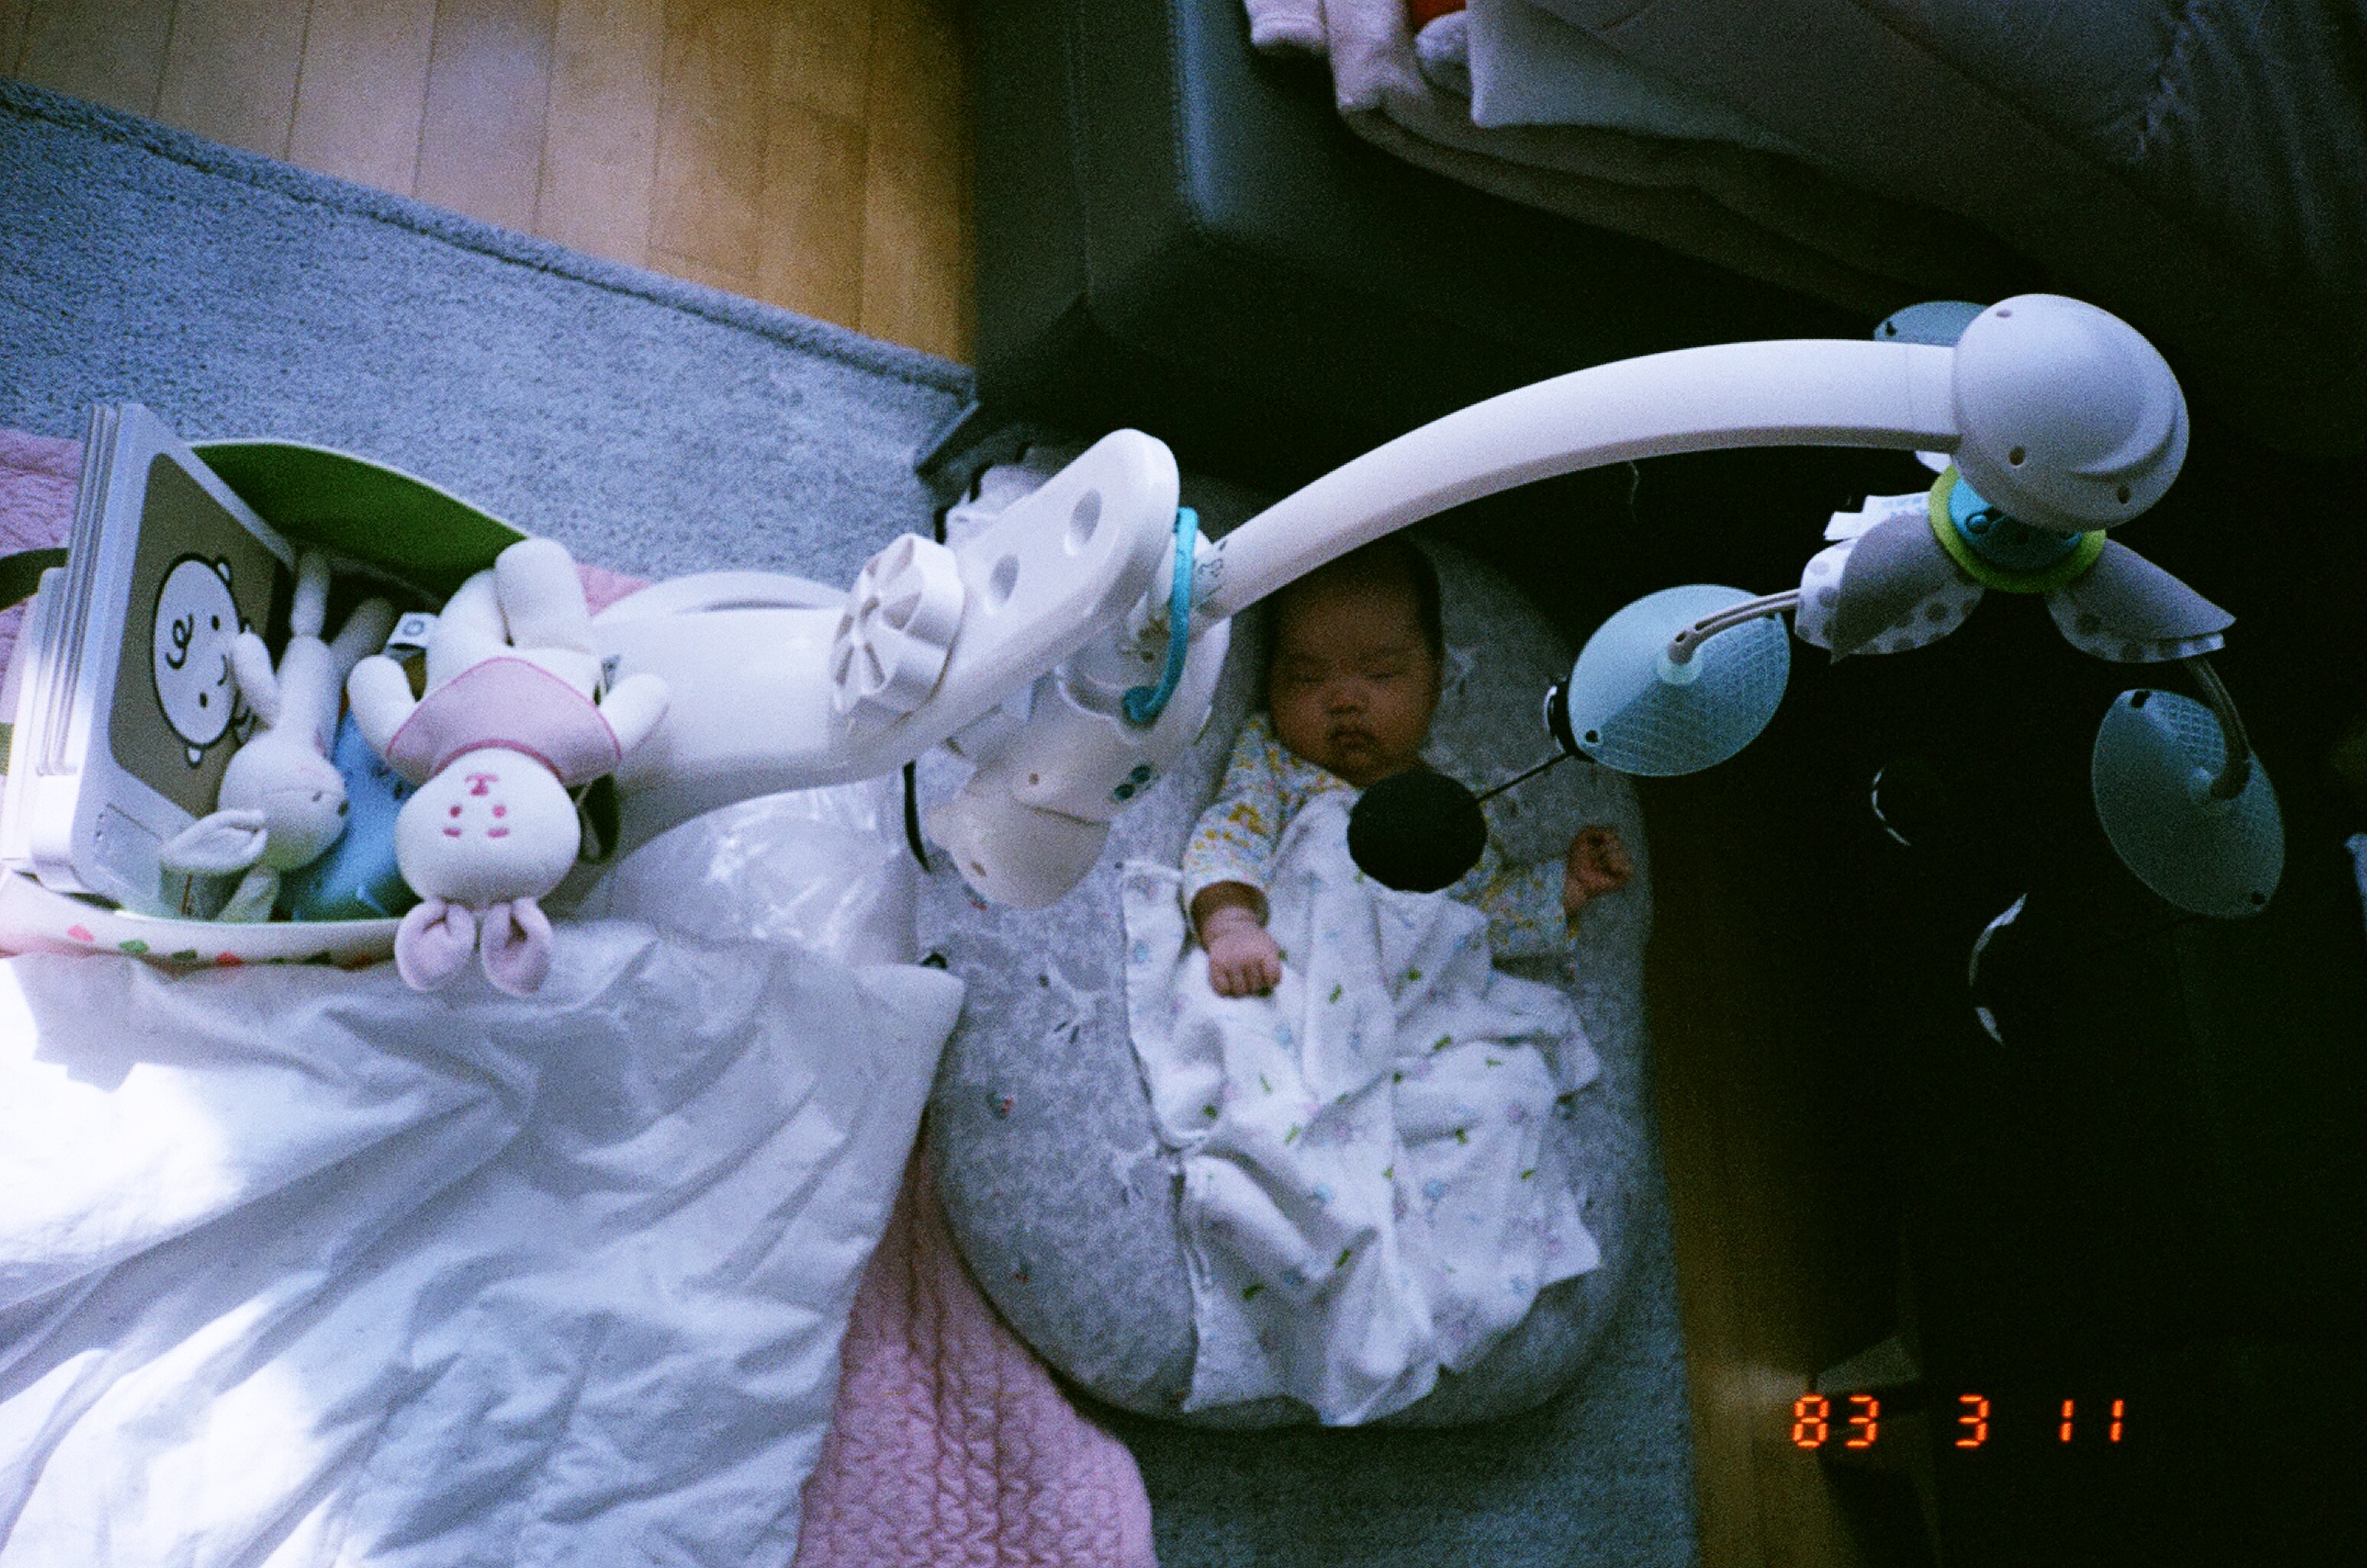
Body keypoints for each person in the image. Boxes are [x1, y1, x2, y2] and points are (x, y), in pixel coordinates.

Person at [1185, 537, 1633, 997]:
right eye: (1308, 678)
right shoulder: (1275, 764)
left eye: (1380, 674)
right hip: (1292, 976)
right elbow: (1230, 838)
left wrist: (1569, 886)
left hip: (1416, 1001)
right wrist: (1232, 924)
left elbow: (1477, 918)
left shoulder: (1455, 802)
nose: (1344, 700)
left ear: (1435, 680)